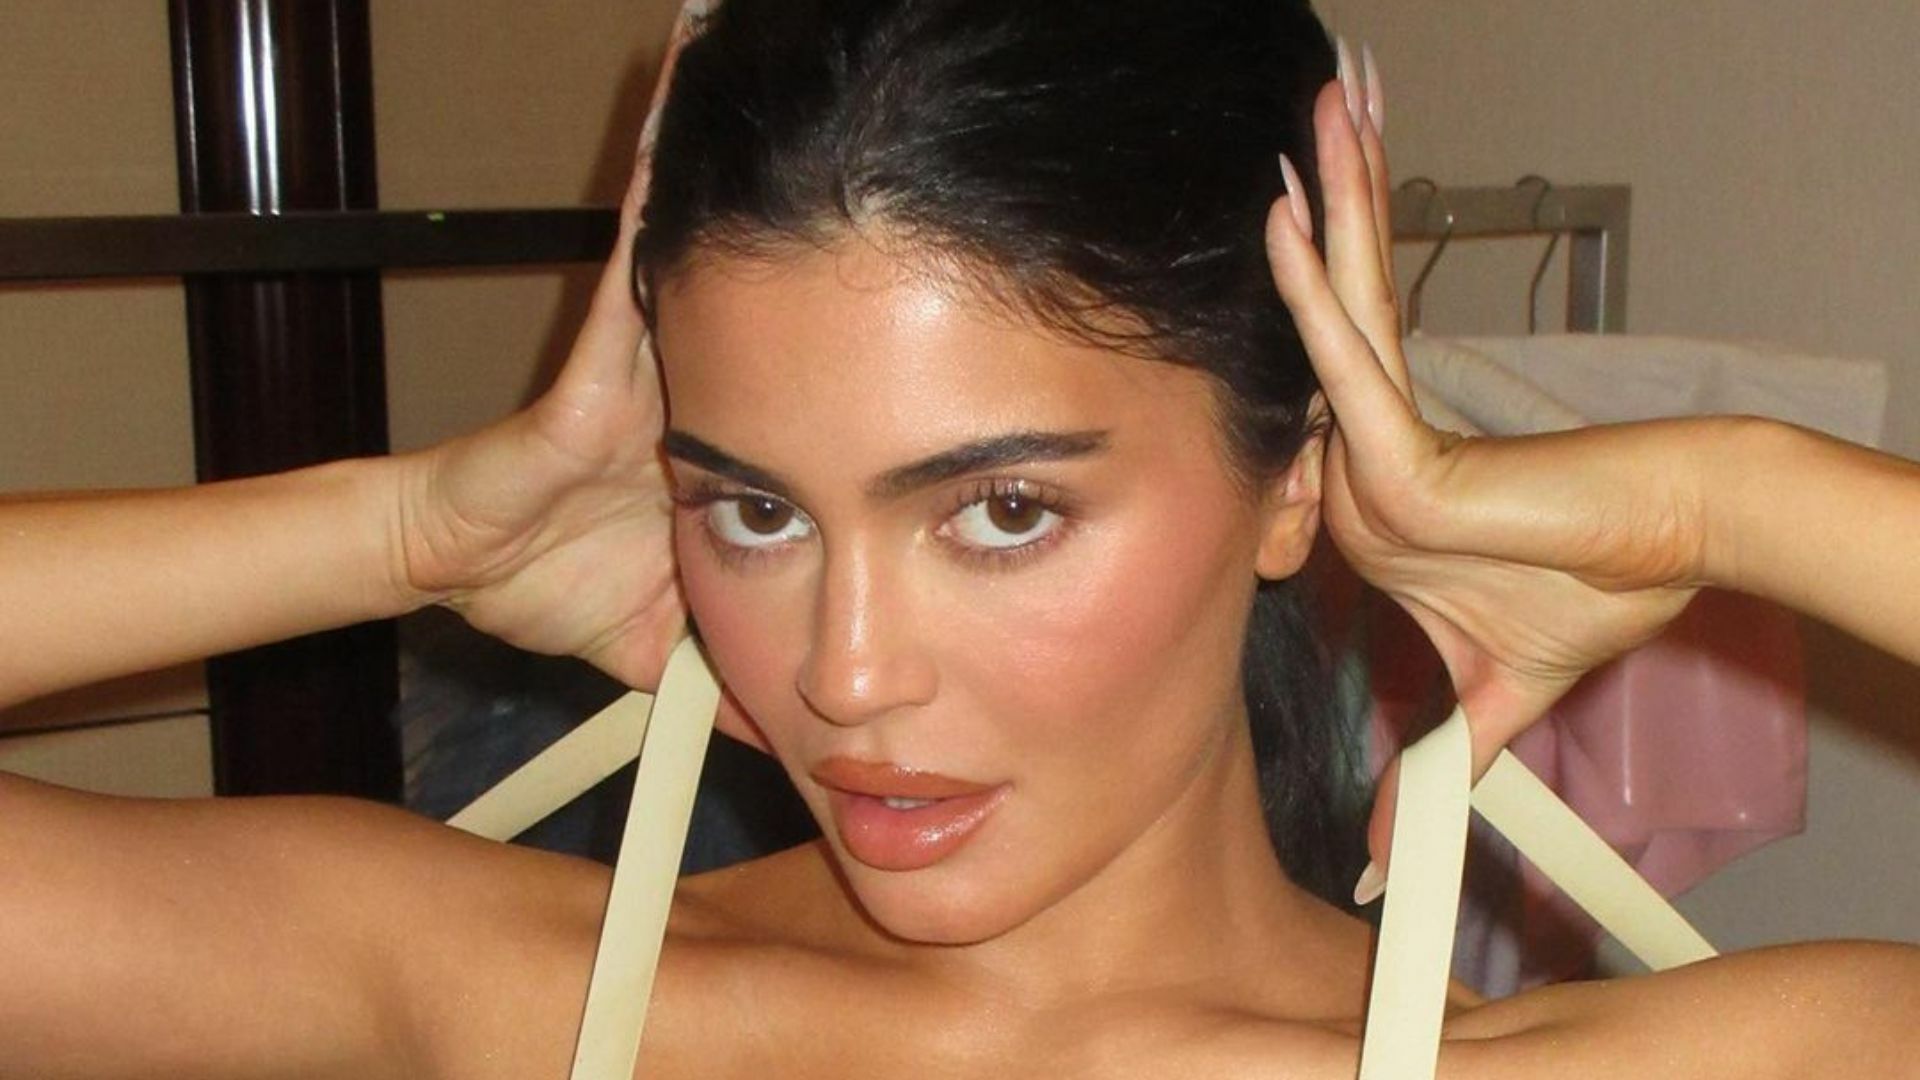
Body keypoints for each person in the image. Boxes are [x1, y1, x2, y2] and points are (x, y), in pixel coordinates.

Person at [1, 1, 1914, 1076]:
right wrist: (409, 526)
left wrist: (1722, 498)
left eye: (1003, 509)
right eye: (754, 507)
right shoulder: (515, 989)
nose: (843, 677)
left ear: (1295, 478)